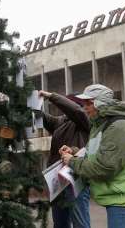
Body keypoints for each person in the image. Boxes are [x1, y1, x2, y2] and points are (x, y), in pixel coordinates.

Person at [61, 84, 125, 228]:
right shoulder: (100, 126)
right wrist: (75, 152)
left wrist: (72, 162)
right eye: (84, 104)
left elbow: (105, 167)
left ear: (100, 102)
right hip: (118, 196)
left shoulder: (118, 127)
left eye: (89, 103)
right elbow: (95, 155)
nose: (85, 108)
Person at [38, 90, 91, 228]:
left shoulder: (85, 120)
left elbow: (76, 111)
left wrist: (52, 97)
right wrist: (31, 104)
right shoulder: (61, 121)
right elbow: (43, 117)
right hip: (57, 180)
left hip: (75, 179)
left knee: (80, 223)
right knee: (60, 223)